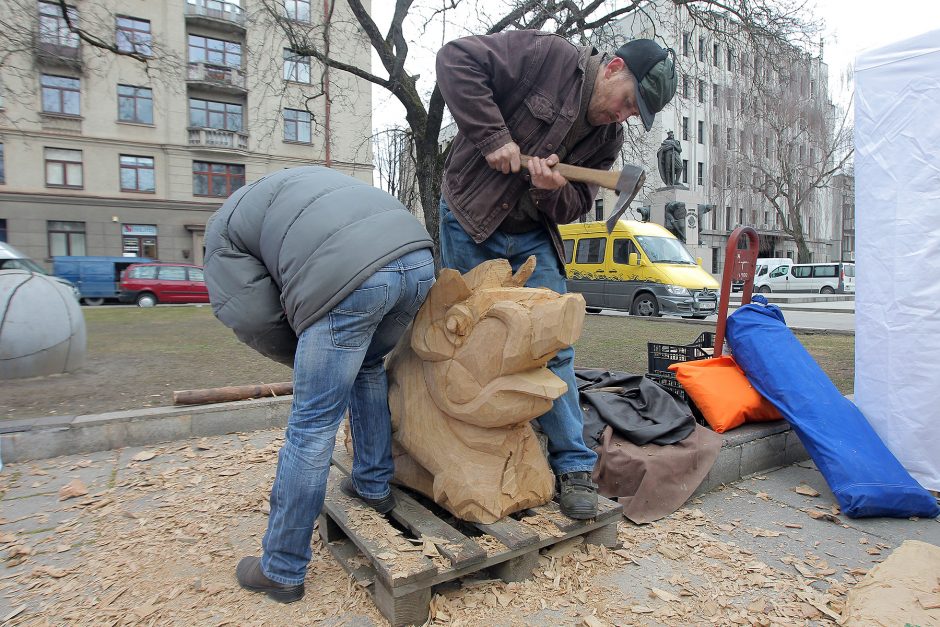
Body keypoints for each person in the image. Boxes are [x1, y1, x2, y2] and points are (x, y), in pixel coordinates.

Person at [435, 30, 677, 519]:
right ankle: (461, 455)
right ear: (612, 68)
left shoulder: (607, 139)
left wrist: (549, 190)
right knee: (468, 337)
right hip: (472, 217)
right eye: (628, 102)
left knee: (554, 342)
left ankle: (571, 467)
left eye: (635, 114)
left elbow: (572, 208)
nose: (624, 116)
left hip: (530, 233)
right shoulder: (546, 56)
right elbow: (455, 59)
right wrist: (494, 137)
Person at [202, 166, 434, 603]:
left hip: (351, 271)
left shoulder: (221, 231)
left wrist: (312, 361)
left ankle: (282, 567)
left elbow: (251, 315)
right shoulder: (296, 185)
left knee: (312, 423)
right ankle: (372, 485)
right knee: (366, 366)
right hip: (418, 258)